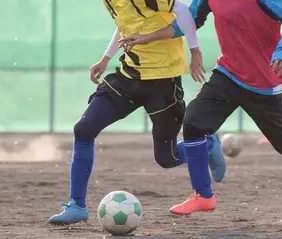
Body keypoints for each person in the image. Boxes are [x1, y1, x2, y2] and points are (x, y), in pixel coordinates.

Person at [120, 0, 282, 221]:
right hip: (229, 74)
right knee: (194, 122)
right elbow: (188, 22)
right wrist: (147, 37)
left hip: (264, 82)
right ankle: (203, 195)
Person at [47, 0, 227, 225]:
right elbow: (127, 23)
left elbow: (181, 10)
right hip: (128, 76)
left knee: (166, 158)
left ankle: (207, 144)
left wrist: (195, 51)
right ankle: (77, 206)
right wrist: (106, 58)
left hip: (163, 80)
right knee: (83, 129)